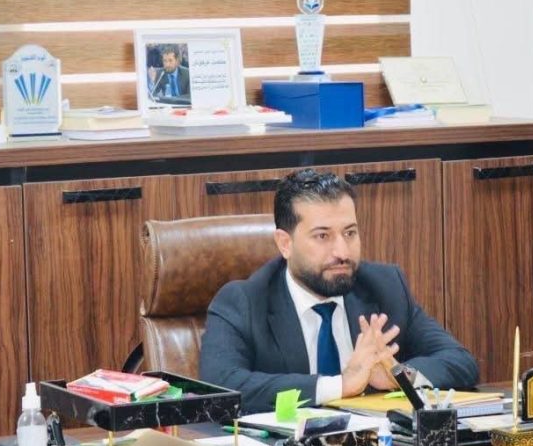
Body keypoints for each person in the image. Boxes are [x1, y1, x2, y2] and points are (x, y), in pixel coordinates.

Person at [199, 169, 479, 413]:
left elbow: (461, 361)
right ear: (285, 243)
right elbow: (220, 387)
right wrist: (341, 385)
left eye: (350, 233)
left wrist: (399, 375)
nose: (342, 252)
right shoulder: (243, 302)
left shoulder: (385, 287)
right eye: (322, 236)